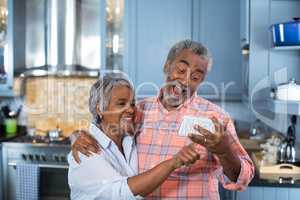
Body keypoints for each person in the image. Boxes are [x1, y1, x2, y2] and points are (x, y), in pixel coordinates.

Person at [71, 40, 255, 199]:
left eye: (196, 77)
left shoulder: (215, 118)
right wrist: (78, 135)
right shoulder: (139, 110)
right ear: (167, 66)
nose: (185, 80)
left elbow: (243, 178)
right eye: (181, 70)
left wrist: (224, 152)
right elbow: (107, 131)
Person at [67, 74, 201, 200]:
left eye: (131, 103)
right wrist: (174, 162)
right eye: (121, 103)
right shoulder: (86, 150)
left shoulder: (130, 138)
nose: (131, 110)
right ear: (100, 109)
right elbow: (121, 193)